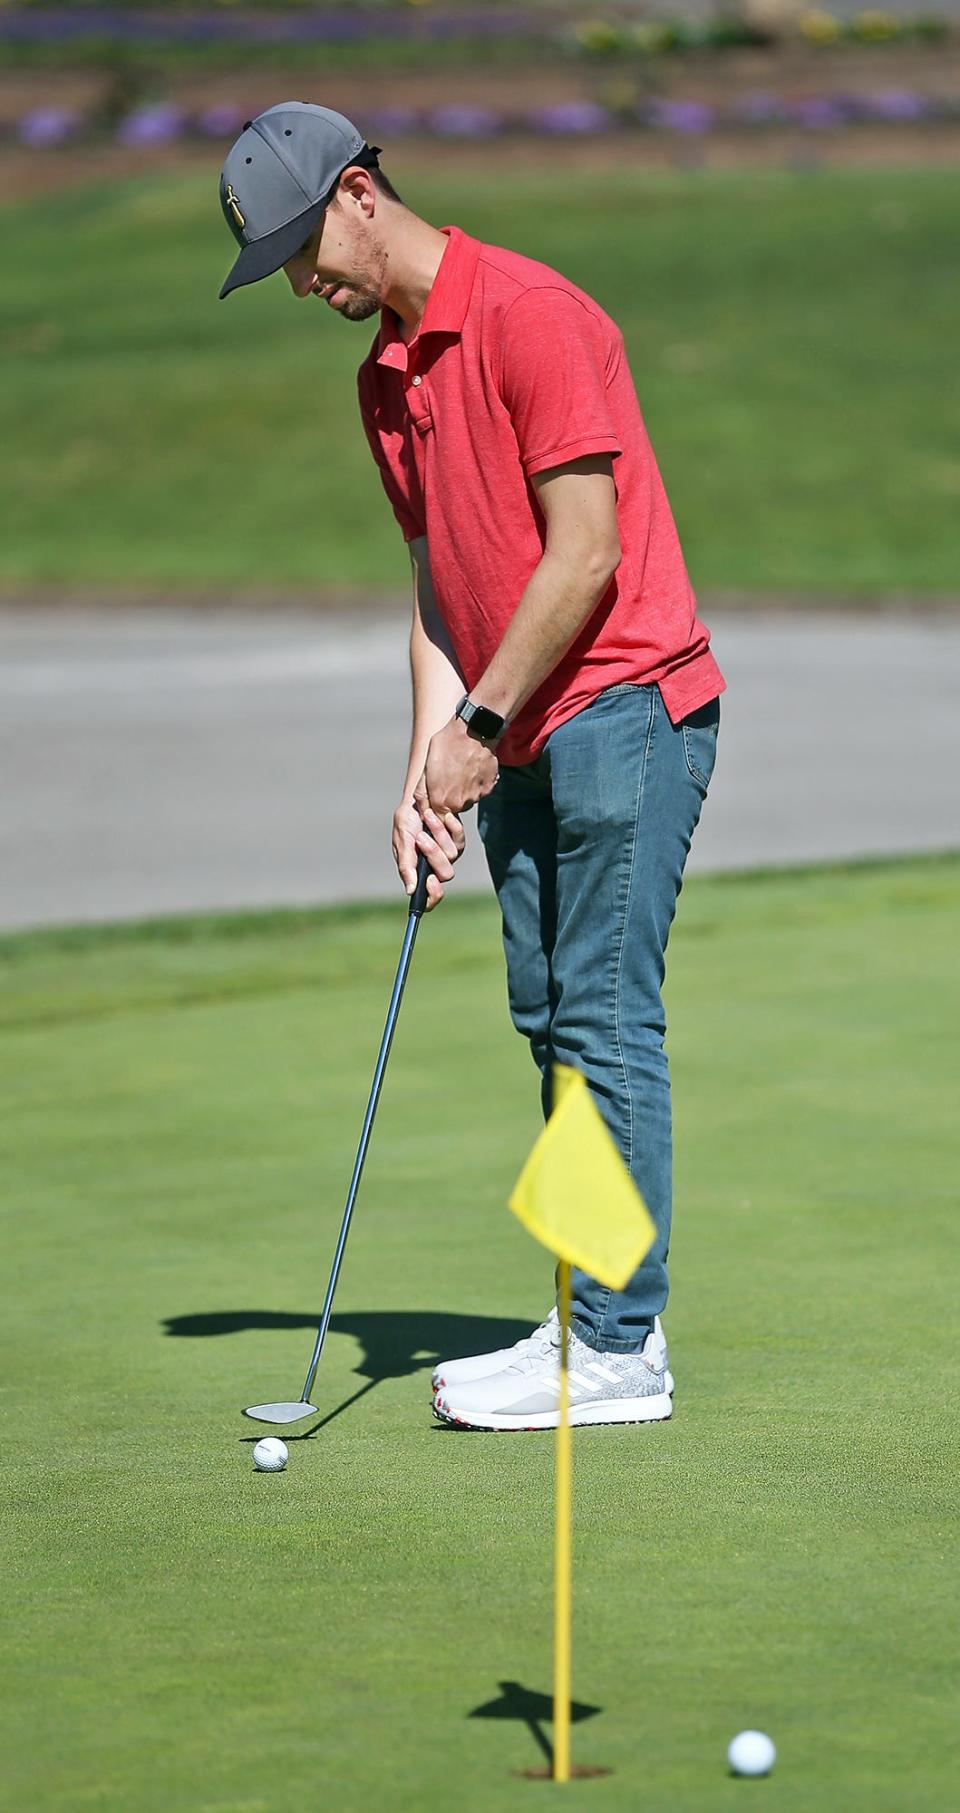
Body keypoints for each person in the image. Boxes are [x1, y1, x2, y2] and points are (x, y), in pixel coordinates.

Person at [218, 102, 726, 1431]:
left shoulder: (532, 315)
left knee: (604, 1014)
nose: (300, 283)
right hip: (521, 728)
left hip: (624, 705)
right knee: (548, 1011)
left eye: (299, 249)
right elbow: (446, 582)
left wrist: (477, 732)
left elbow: (585, 555)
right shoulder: (384, 379)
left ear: (359, 193)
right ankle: (587, 1316)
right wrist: (421, 766)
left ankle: (619, 1344)